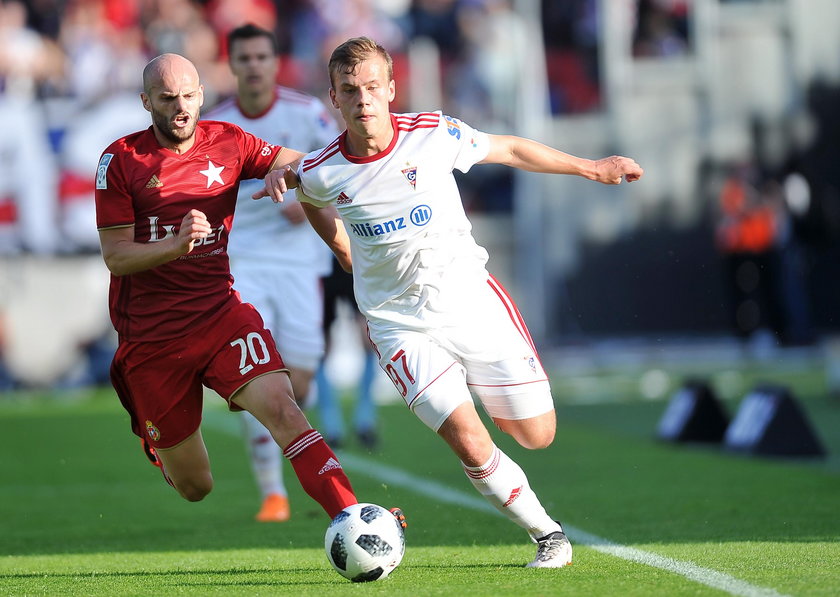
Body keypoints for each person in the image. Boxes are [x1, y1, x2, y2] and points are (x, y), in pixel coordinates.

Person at [257, 37, 643, 568]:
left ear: (392, 89)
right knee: (466, 435)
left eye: (372, 87)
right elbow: (309, 195)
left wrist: (591, 168)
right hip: (398, 325)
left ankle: (489, 394)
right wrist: (341, 246)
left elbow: (507, 148)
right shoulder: (323, 169)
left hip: (472, 304)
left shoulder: (432, 134)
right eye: (351, 91)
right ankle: (549, 535)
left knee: (537, 434)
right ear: (334, 99)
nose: (363, 100)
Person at [93, 52, 359, 521]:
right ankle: (157, 440)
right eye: (167, 97)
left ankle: (352, 517)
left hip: (220, 316)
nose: (181, 106)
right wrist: (175, 246)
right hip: (152, 340)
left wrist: (292, 172)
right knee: (196, 486)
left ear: (202, 94)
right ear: (145, 101)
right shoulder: (119, 161)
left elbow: (305, 162)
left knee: (283, 407)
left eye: (189, 95)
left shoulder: (227, 141)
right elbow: (115, 255)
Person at [205, 23, 339, 523]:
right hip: (243, 262)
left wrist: (306, 199)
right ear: (233, 64)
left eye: (262, 56)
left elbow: (338, 165)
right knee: (261, 374)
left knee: (298, 379)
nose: (254, 66)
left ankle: (281, 449)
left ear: (274, 61)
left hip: (302, 261)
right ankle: (273, 493)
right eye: (245, 58)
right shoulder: (214, 128)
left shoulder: (305, 114)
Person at [316, 256, 379, 450]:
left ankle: (365, 419)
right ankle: (332, 426)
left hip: (351, 259)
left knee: (369, 340)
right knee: (320, 349)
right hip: (320, 265)